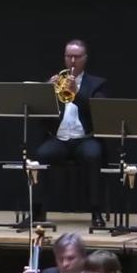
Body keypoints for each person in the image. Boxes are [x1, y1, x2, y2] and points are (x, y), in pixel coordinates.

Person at [34, 39, 108, 227]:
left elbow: (98, 114)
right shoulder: (56, 81)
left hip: (85, 139)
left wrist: (77, 93)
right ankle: (38, 211)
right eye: (69, 56)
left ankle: (96, 211)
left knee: (94, 156)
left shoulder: (97, 84)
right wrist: (46, 92)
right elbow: (41, 116)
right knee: (40, 156)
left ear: (85, 58)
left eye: (76, 57)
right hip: (59, 139)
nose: (72, 61)